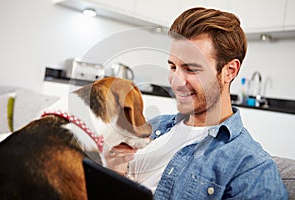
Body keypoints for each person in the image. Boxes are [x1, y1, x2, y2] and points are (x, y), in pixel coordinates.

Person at [105, 7, 288, 199]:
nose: (176, 82)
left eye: (191, 69)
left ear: (230, 71)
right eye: (172, 66)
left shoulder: (251, 167)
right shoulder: (155, 125)